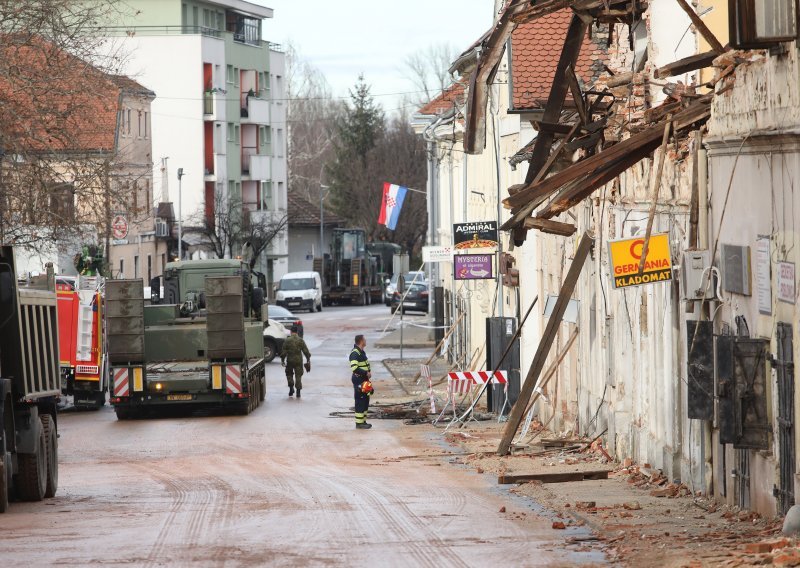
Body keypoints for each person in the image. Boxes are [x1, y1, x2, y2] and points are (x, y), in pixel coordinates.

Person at [349, 334, 373, 429]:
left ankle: (363, 421)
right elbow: (354, 368)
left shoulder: (361, 352)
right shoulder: (355, 353)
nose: (366, 341)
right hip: (359, 379)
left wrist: (367, 373)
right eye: (365, 339)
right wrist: (366, 373)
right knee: (360, 400)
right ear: (361, 341)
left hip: (364, 380)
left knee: (366, 400)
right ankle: (359, 423)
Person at [280, 325, 311, 398]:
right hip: (298, 361)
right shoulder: (300, 340)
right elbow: (305, 351)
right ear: (297, 332)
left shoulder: (287, 340)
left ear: (291, 332)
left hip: (290, 360)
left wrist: (282, 360)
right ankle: (298, 392)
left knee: (289, 374)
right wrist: (308, 359)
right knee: (298, 375)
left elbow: (283, 352)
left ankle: (291, 388)